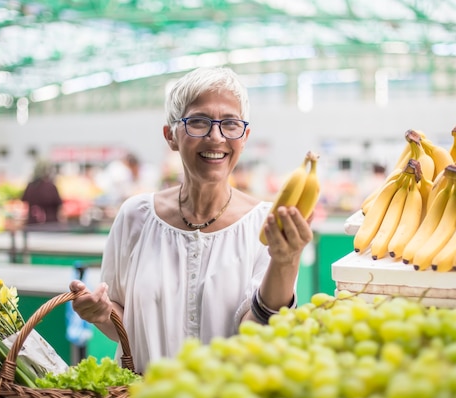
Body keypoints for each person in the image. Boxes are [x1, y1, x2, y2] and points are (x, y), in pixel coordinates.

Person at [69, 67, 315, 374]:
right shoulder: (135, 217)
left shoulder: (265, 225)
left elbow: (258, 332)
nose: (216, 137)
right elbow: (124, 322)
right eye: (198, 122)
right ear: (171, 136)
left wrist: (285, 261)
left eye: (230, 124)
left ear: (245, 137)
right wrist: (103, 314)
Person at [21, 159, 63, 225]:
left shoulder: (30, 187)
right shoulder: (51, 187)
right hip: (50, 225)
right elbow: (59, 206)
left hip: (33, 225)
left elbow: (24, 201)